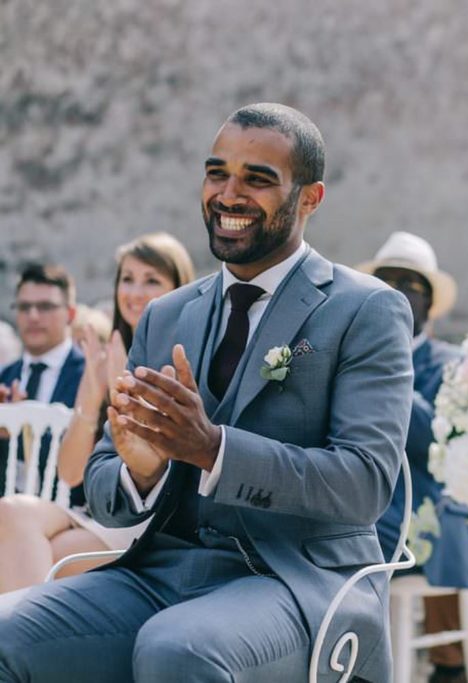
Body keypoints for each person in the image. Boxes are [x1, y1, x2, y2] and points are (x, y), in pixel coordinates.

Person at [0, 103, 414, 683]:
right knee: (7, 630)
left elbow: (364, 483)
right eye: (217, 172)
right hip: (159, 571)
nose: (228, 193)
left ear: (311, 199)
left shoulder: (364, 310)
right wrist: (139, 471)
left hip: (296, 580)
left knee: (178, 649)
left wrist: (213, 449)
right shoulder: (166, 316)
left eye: (258, 179)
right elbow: (100, 484)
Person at [0, 233, 195, 594]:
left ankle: (19, 645)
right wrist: (91, 395)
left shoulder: (184, 357)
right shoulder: (106, 353)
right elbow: (71, 473)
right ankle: (20, 644)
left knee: (45, 555)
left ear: (178, 286)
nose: (134, 292)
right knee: (9, 512)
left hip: (152, 519)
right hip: (96, 512)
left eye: (151, 280)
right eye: (127, 279)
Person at [358, 231, 468, 683]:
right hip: (358, 497)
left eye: (409, 286)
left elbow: (436, 441)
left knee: (355, 536)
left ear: (429, 304)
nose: (396, 293)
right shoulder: (352, 356)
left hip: (419, 513)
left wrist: (389, 368)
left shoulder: (453, 365)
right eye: (387, 282)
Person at [0, 264, 85, 493]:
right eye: (24, 306)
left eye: (45, 306)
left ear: (70, 314)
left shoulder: (90, 378)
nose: (33, 316)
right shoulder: (4, 377)